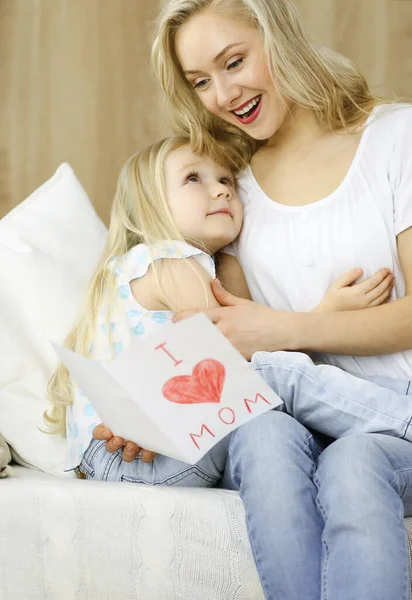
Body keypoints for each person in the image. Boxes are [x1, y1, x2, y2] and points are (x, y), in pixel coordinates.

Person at [144, 0, 412, 598]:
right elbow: (236, 346)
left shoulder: (396, 137)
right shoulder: (232, 189)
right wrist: (143, 417)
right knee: (260, 437)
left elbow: (265, 332)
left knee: (355, 463)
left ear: (278, 39)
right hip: (297, 415)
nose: (222, 93)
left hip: (394, 416)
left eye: (234, 61)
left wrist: (283, 329)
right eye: (201, 82)